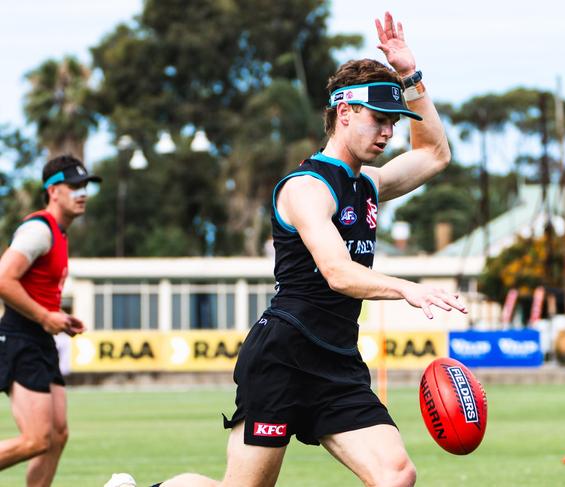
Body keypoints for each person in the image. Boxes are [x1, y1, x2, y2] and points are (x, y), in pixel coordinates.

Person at [111, 11, 466, 487]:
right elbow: (337, 272)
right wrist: (406, 288)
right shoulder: (307, 187)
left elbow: (435, 154)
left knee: (397, 475)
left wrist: (410, 77)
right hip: (282, 355)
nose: (388, 134)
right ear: (345, 113)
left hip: (337, 359)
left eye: (393, 124)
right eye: (380, 121)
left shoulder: (370, 184)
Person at [0, 154, 101, 486]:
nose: (81, 193)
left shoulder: (60, 234)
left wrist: (59, 319)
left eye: (85, 186)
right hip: (20, 338)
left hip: (40, 339)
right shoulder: (38, 230)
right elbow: (3, 280)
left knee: (57, 436)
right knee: (36, 440)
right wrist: (44, 316)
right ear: (53, 191)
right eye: (73, 186)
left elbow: (36, 289)